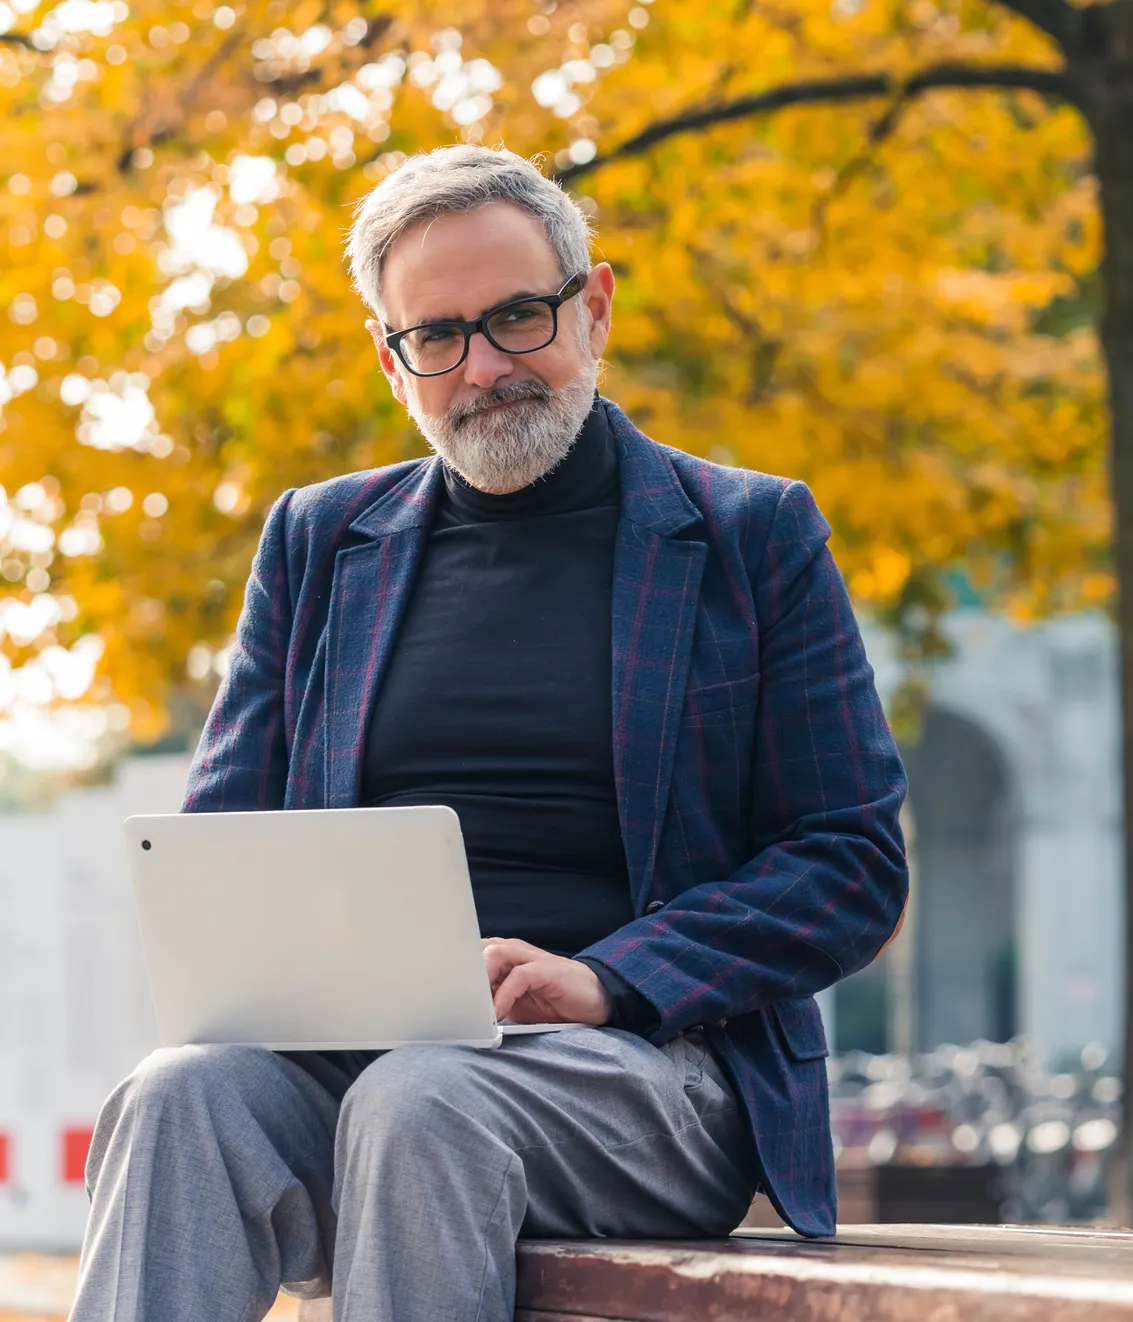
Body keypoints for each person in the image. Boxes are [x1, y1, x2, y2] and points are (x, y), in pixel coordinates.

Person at [70, 145, 908, 1322]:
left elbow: (848, 858)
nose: (484, 368)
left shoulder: (749, 533)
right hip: (356, 1066)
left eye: (518, 316)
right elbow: (225, 845)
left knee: (425, 1098)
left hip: (648, 1072)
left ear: (593, 304)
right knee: (176, 1096)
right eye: (438, 336)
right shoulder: (316, 540)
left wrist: (609, 978)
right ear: (391, 359)